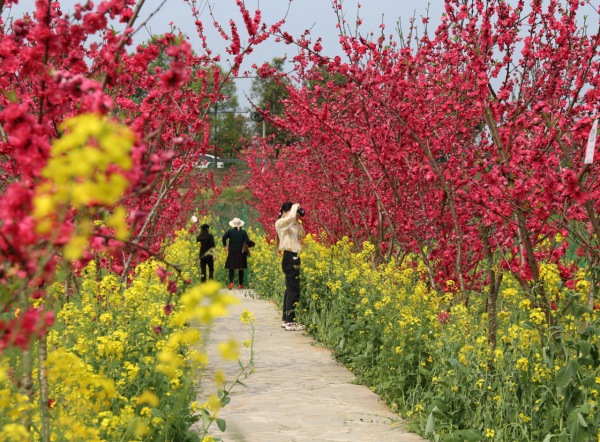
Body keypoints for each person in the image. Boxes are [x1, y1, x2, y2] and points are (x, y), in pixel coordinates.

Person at [275, 202, 305, 331]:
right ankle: (290, 322)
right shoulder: (280, 223)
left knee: (289, 290)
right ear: (284, 211)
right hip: (289, 257)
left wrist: (297, 221)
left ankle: (285, 320)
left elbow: (301, 234)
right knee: (293, 291)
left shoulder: (290, 225)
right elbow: (289, 218)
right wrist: (295, 206)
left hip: (294, 257)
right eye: (292, 212)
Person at [222, 217, 253, 290]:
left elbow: (223, 238)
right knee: (241, 268)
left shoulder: (230, 231)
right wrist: (250, 244)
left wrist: (225, 246)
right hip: (241, 252)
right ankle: (240, 285)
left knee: (231, 267)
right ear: (240, 225)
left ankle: (231, 283)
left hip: (232, 252)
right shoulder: (243, 232)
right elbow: (248, 241)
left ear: (233, 225)